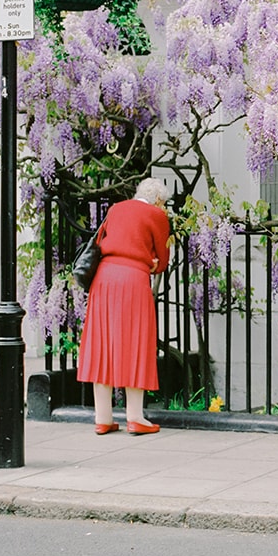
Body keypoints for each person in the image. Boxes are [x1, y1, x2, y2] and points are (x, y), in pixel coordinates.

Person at [78, 177, 172, 435]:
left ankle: (103, 417)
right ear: (159, 200)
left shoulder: (116, 208)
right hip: (133, 279)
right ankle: (135, 417)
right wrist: (154, 263)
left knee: (102, 343)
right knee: (136, 343)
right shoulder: (157, 216)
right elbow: (162, 260)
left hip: (104, 278)